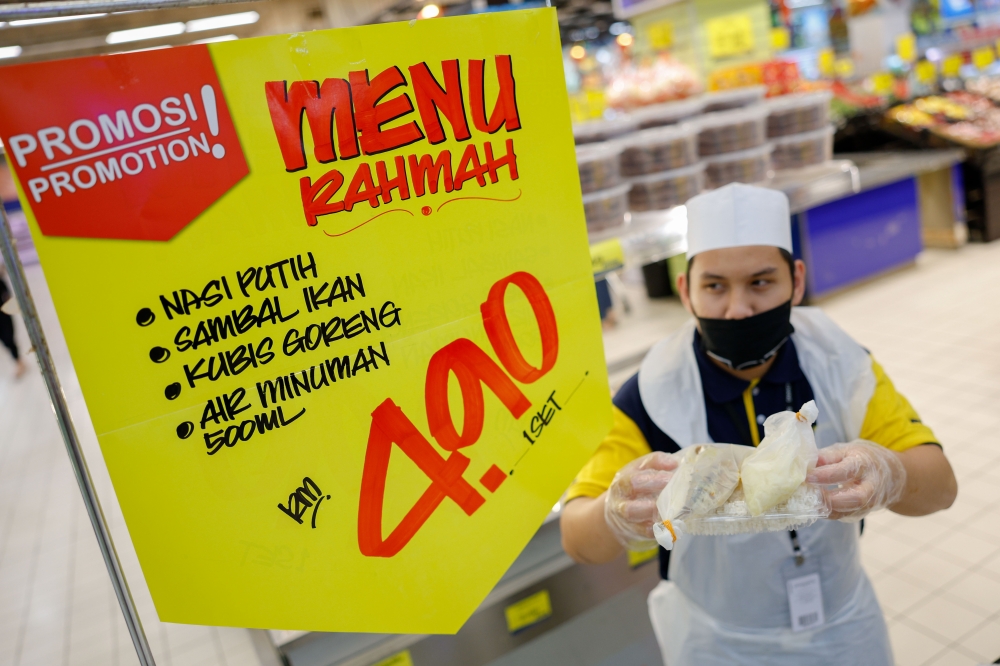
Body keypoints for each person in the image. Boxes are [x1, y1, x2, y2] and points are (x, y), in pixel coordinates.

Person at [560, 184, 957, 665]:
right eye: (715, 286)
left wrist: (891, 474)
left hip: (843, 626)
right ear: (686, 290)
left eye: (761, 283)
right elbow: (578, 540)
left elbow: (941, 487)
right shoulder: (648, 396)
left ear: (797, 280)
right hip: (719, 642)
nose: (738, 309)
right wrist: (615, 511)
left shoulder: (841, 364)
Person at [0, 264, 25, 378]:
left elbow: (7, 297)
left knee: (8, 338)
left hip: (3, 315)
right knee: (6, 341)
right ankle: (19, 362)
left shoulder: (1, 283)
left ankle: (19, 362)